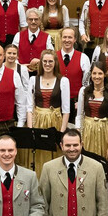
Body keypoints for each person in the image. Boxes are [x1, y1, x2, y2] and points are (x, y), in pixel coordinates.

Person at [28, 50, 71, 178]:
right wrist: (31, 130)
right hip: (38, 120)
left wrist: (61, 133)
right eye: (45, 61)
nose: (47, 64)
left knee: (55, 153)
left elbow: (66, 110)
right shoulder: (33, 80)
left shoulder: (63, 81)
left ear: (55, 63)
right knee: (39, 153)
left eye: (50, 61)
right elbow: (30, 107)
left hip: (55, 121)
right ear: (41, 63)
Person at [75, 62, 108, 165]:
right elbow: (79, 115)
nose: (97, 77)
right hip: (87, 131)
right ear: (91, 75)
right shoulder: (84, 92)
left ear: (105, 75)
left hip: (104, 131)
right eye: (94, 73)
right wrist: (78, 136)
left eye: (100, 73)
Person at [12, 8, 53, 73]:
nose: (33, 22)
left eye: (36, 19)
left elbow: (51, 56)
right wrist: (21, 66)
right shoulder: (18, 35)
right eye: (31, 19)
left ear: (40, 21)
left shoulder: (47, 37)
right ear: (27, 20)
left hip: (41, 72)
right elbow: (12, 54)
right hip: (21, 72)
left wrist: (40, 61)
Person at [57, 27, 89, 110]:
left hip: (76, 104)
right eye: (64, 37)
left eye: (70, 37)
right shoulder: (54, 57)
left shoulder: (83, 58)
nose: (67, 40)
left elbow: (87, 83)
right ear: (61, 38)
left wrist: (82, 101)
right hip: (57, 103)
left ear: (75, 39)